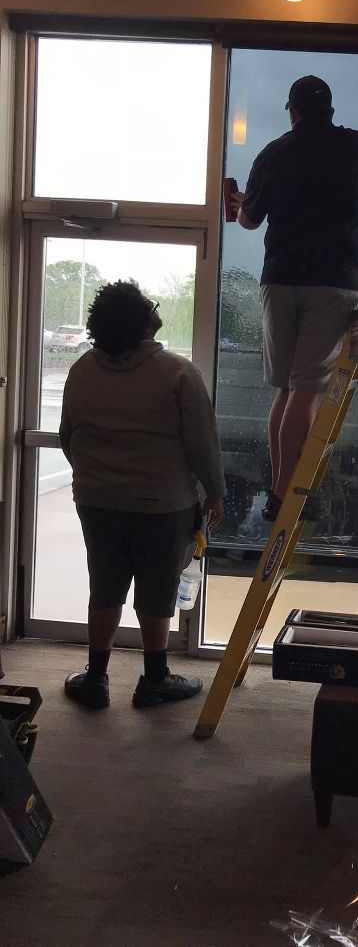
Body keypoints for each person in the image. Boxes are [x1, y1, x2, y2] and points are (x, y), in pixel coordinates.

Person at [59, 280, 226, 710]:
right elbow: (202, 445)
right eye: (149, 304)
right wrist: (215, 495)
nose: (155, 307)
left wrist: (99, 474)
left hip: (97, 501)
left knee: (105, 586)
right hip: (163, 504)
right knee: (157, 591)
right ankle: (154, 679)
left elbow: (68, 437)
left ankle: (95, 679)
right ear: (142, 320)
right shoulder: (177, 373)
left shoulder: (81, 370)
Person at [230, 75, 358, 523]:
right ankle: (286, 493)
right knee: (306, 390)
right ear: (329, 110)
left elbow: (249, 221)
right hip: (333, 280)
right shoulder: (354, 147)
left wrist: (239, 202)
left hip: (281, 278)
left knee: (288, 389)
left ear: (291, 110)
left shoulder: (274, 153)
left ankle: (279, 488)